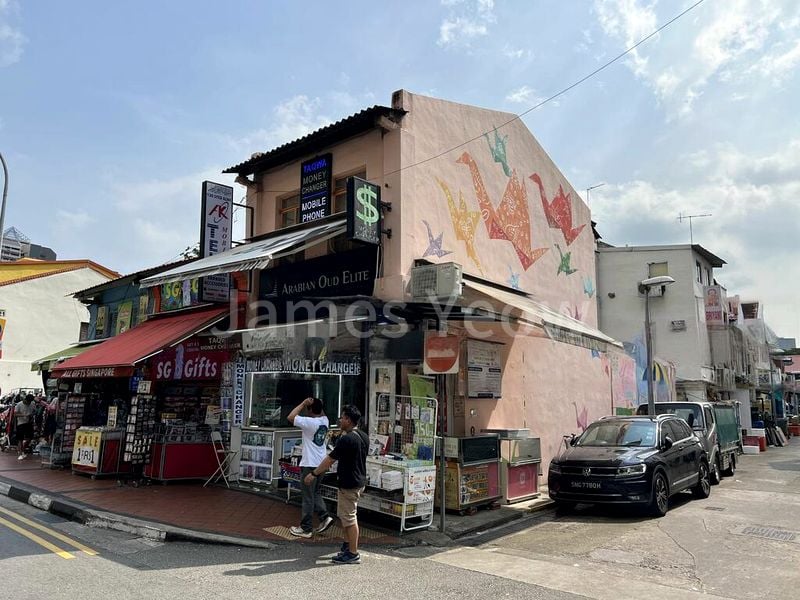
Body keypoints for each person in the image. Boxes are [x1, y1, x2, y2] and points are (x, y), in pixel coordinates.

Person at [305, 404, 369, 565]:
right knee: (345, 516)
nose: (340, 420)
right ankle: (347, 546)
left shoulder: (347, 439)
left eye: (342, 417)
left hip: (349, 483)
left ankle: (353, 553)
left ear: (348, 419)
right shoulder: (363, 436)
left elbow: (330, 459)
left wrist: (314, 474)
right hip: (358, 480)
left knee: (349, 518)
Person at [287, 396, 333, 538]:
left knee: (307, 496)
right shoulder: (325, 420)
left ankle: (305, 528)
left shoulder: (309, 422)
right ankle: (325, 517)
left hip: (309, 464)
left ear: (310, 410)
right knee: (315, 492)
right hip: (321, 463)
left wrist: (303, 403)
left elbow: (290, 417)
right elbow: (321, 411)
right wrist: (316, 403)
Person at [14, 394, 35, 460]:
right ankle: (20, 453)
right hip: (21, 423)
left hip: (29, 423)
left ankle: (22, 449)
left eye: (30, 402)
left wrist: (31, 416)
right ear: (25, 399)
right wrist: (24, 415)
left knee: (30, 437)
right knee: (20, 439)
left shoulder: (32, 403)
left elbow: (33, 411)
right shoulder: (19, 404)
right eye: (28, 402)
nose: (29, 403)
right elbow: (15, 414)